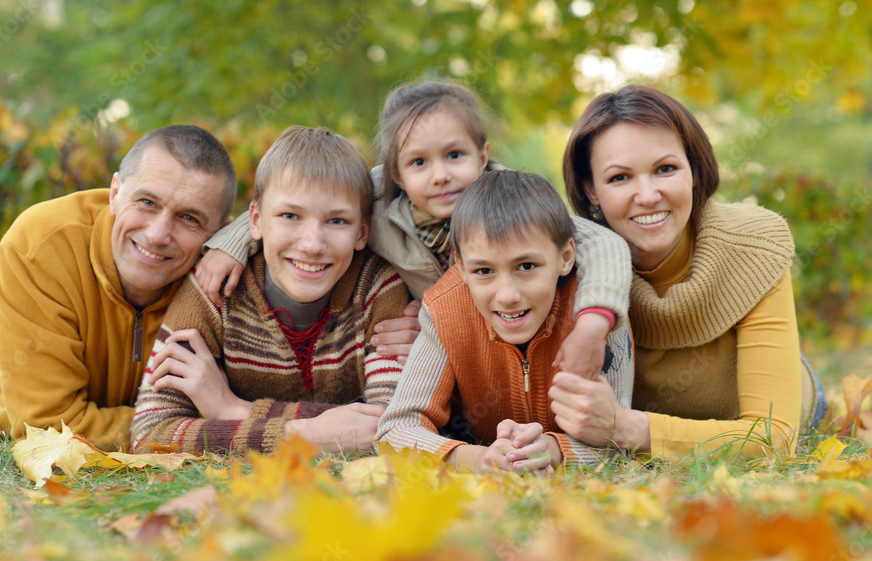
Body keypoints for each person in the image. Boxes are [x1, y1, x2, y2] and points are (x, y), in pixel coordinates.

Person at [197, 80, 633, 380]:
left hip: (519, 340)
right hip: (445, 352)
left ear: (483, 156)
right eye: (419, 162)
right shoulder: (378, 201)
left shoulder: (517, 203)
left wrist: (594, 324)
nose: (440, 175)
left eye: (454, 155)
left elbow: (604, 243)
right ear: (397, 174)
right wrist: (233, 243)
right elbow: (300, 201)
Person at [556, 84, 825, 461]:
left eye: (665, 169)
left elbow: (774, 437)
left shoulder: (753, 246)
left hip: (791, 407)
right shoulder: (568, 265)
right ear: (591, 190)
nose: (647, 195)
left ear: (694, 171)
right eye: (620, 178)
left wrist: (628, 429)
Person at [0, 125, 237, 450]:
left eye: (189, 218)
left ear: (220, 234)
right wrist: (198, 429)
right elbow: (49, 422)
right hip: (9, 431)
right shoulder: (39, 246)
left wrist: (240, 243)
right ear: (115, 193)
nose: (158, 234)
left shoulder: (226, 273)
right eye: (147, 202)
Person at [130, 126, 410, 455]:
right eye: (290, 216)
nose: (312, 244)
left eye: (336, 221)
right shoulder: (213, 289)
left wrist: (232, 410)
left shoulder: (377, 287)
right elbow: (150, 433)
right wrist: (297, 435)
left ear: (362, 233)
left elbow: (390, 426)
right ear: (256, 220)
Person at [375, 170, 634, 472]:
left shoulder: (597, 313)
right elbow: (394, 431)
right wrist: (476, 459)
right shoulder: (444, 312)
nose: (507, 295)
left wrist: (555, 450)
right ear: (460, 266)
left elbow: (620, 434)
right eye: (484, 271)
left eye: (526, 266)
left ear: (565, 257)